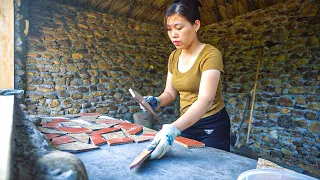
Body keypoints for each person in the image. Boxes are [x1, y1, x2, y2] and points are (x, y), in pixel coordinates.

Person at [143, 0, 231, 160]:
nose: (173, 35)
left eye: (179, 28)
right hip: (186, 123)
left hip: (211, 125)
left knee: (212, 170)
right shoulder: (174, 57)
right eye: (169, 29)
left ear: (196, 25)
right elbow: (170, 93)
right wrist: (155, 101)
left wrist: (173, 128)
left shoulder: (211, 54)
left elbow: (205, 100)